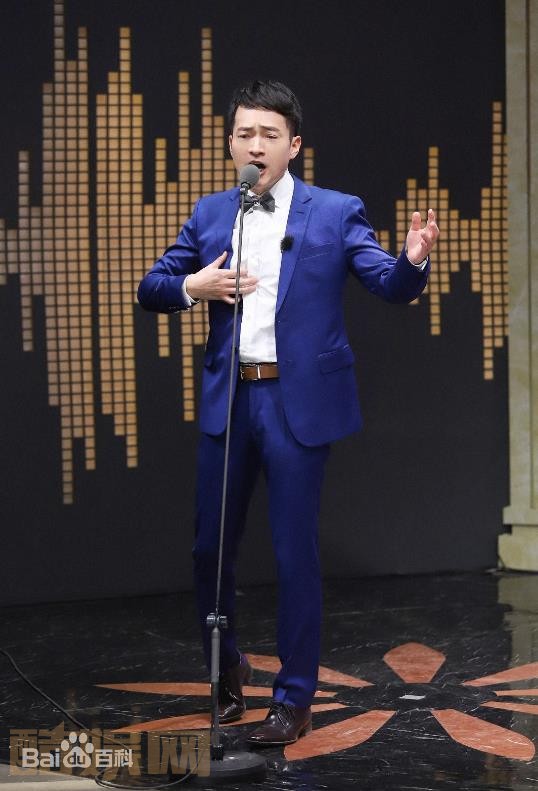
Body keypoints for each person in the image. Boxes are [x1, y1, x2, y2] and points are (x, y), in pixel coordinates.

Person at [137, 80, 439, 747]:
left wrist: (413, 260)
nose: (256, 145)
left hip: (294, 403)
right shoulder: (212, 213)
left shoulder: (335, 211)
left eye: (269, 135)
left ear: (294, 145)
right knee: (208, 548)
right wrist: (194, 285)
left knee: (293, 550)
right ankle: (227, 666)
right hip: (230, 399)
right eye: (245, 134)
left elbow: (387, 283)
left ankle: (294, 698)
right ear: (230, 144)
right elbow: (151, 287)